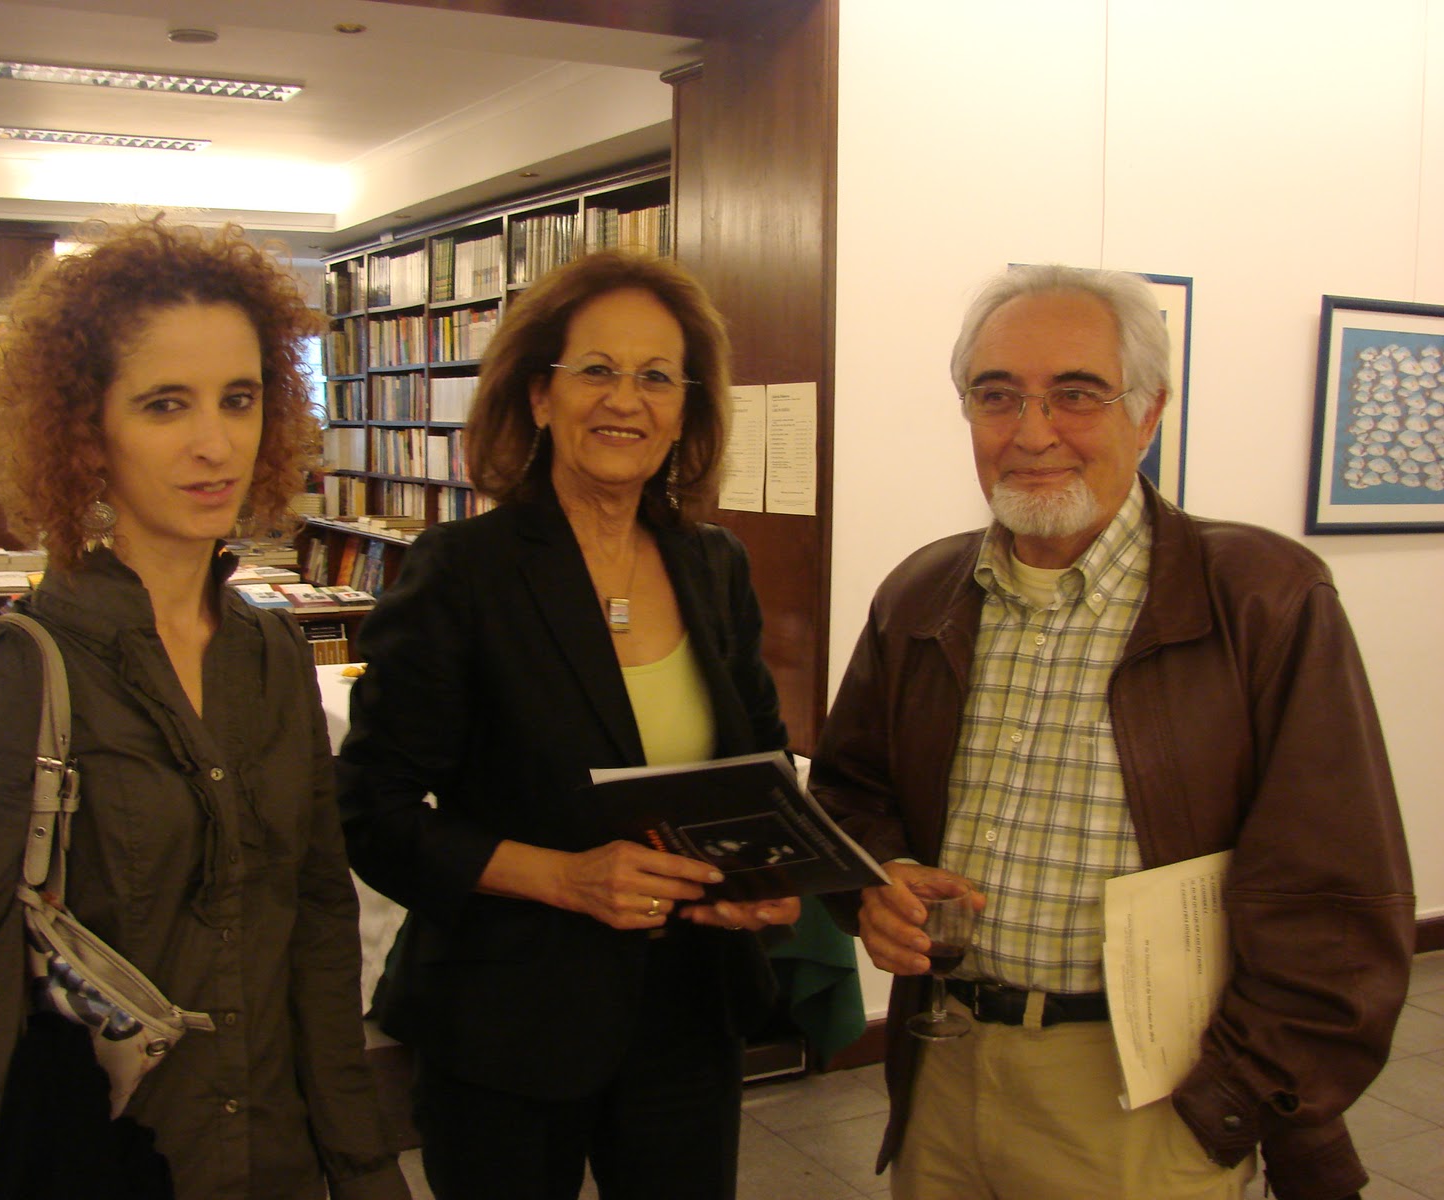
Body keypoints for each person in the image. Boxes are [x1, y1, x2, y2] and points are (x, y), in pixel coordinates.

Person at [810, 264, 1414, 1200]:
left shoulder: (1262, 597)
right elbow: (850, 791)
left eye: (1077, 394)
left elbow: (1334, 893)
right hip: (942, 1070)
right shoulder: (923, 594)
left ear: (1149, 412)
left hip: (1149, 1099)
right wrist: (876, 879)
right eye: (997, 396)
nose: (1032, 431)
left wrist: (1237, 1096)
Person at [0, 218, 411, 1200]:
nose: (216, 443)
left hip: (278, 1162)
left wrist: (364, 1168)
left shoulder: (272, 657)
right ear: (86, 430)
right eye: (166, 404)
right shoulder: (8, 675)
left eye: (239, 399)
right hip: (109, 1164)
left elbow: (317, 928)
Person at [337, 249, 801, 1200]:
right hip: (507, 1021)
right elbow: (371, 811)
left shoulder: (714, 565)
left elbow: (760, 768)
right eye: (596, 370)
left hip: (688, 1010)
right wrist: (563, 878)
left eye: (657, 377)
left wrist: (772, 874)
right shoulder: (462, 570)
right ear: (540, 395)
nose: (625, 400)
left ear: (686, 410)